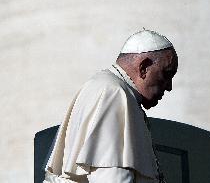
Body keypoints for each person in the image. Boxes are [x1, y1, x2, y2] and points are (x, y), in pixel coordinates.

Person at [43, 29, 178, 183]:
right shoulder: (115, 94)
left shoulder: (106, 86)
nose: (169, 87)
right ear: (144, 67)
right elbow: (112, 178)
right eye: (167, 74)